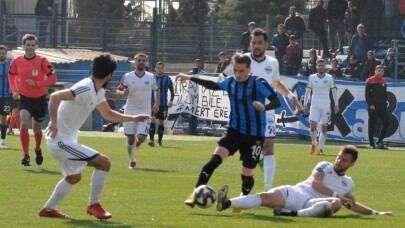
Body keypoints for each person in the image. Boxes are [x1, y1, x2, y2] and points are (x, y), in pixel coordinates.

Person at [38, 54, 151, 219]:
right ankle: (94, 205)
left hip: (67, 140)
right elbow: (55, 96)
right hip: (60, 142)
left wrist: (134, 118)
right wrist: (54, 122)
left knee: (74, 177)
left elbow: (108, 114)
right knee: (104, 163)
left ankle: (47, 210)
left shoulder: (97, 90)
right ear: (108, 76)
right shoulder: (86, 87)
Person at [178, 53, 281, 209]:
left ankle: (243, 198)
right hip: (233, 130)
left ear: (249, 69)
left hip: (255, 136)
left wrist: (264, 107)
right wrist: (189, 77)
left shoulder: (258, 83)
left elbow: (276, 101)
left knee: (246, 176)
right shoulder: (230, 82)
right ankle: (194, 195)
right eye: (236, 70)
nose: (238, 74)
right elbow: (213, 85)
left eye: (241, 71)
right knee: (212, 162)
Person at [220, 28, 300, 193]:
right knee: (251, 151)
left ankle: (267, 189)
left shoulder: (273, 63)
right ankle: (249, 183)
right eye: (253, 42)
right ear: (250, 44)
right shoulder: (242, 60)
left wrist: (291, 96)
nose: (256, 46)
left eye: (260, 43)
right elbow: (222, 76)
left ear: (266, 44)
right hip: (243, 115)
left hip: (266, 112)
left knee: (269, 145)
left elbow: (276, 84)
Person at [216, 145, 393, 217]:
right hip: (298, 193)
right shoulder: (324, 164)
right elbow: (316, 183)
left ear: (352, 164)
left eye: (344, 160)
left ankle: (292, 214)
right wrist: (337, 195)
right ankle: (226, 203)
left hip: (315, 203)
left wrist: (377, 213)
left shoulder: (349, 184)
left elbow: (352, 204)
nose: (339, 161)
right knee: (265, 197)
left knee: (335, 204)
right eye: (339, 157)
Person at [8, 34, 57, 166]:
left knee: (37, 129)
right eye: (27, 45)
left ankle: (37, 148)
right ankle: (26, 155)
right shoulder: (16, 61)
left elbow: (53, 79)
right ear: (23, 46)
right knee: (24, 122)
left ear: (36, 46)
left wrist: (38, 83)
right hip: (24, 98)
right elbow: (11, 76)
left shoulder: (43, 61)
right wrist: (14, 90)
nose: (30, 47)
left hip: (39, 99)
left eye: (32, 45)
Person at [117, 53, 160, 169]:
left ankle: (137, 144)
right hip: (130, 111)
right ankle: (132, 160)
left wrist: (156, 104)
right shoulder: (127, 76)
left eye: (143, 60)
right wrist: (123, 93)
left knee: (141, 138)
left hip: (145, 111)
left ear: (146, 63)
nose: (141, 62)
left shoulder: (151, 77)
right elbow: (118, 90)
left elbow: (157, 90)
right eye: (139, 60)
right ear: (135, 62)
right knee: (130, 138)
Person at [303, 59, 339, 155]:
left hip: (326, 105)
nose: (321, 67)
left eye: (323, 65)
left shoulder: (329, 77)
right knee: (313, 126)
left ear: (325, 67)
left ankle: (321, 149)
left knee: (324, 128)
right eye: (319, 65)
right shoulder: (312, 77)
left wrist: (336, 104)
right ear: (316, 66)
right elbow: (307, 92)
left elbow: (334, 92)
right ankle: (314, 143)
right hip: (314, 104)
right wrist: (305, 104)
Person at [148, 61, 174, 147]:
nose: (160, 69)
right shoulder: (152, 78)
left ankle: (159, 141)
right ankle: (151, 140)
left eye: (161, 68)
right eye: (158, 68)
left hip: (163, 104)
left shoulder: (167, 78)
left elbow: (171, 90)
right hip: (153, 103)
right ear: (155, 68)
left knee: (161, 122)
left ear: (164, 69)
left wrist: (171, 100)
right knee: (152, 119)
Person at [365, 65, 389, 149]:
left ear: (383, 72)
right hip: (373, 106)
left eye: (382, 71)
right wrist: (370, 104)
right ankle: (371, 143)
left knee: (386, 123)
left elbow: (385, 94)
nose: (380, 73)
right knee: (372, 124)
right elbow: (367, 94)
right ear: (375, 71)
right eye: (378, 71)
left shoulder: (384, 81)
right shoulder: (370, 80)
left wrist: (385, 104)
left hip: (382, 106)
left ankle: (379, 141)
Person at [0, 45, 11, 148]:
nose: (2, 55)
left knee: (4, 119)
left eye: (3, 53)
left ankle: (2, 141)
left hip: (6, 97)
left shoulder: (10, 66)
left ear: (6, 54)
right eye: (0, 53)